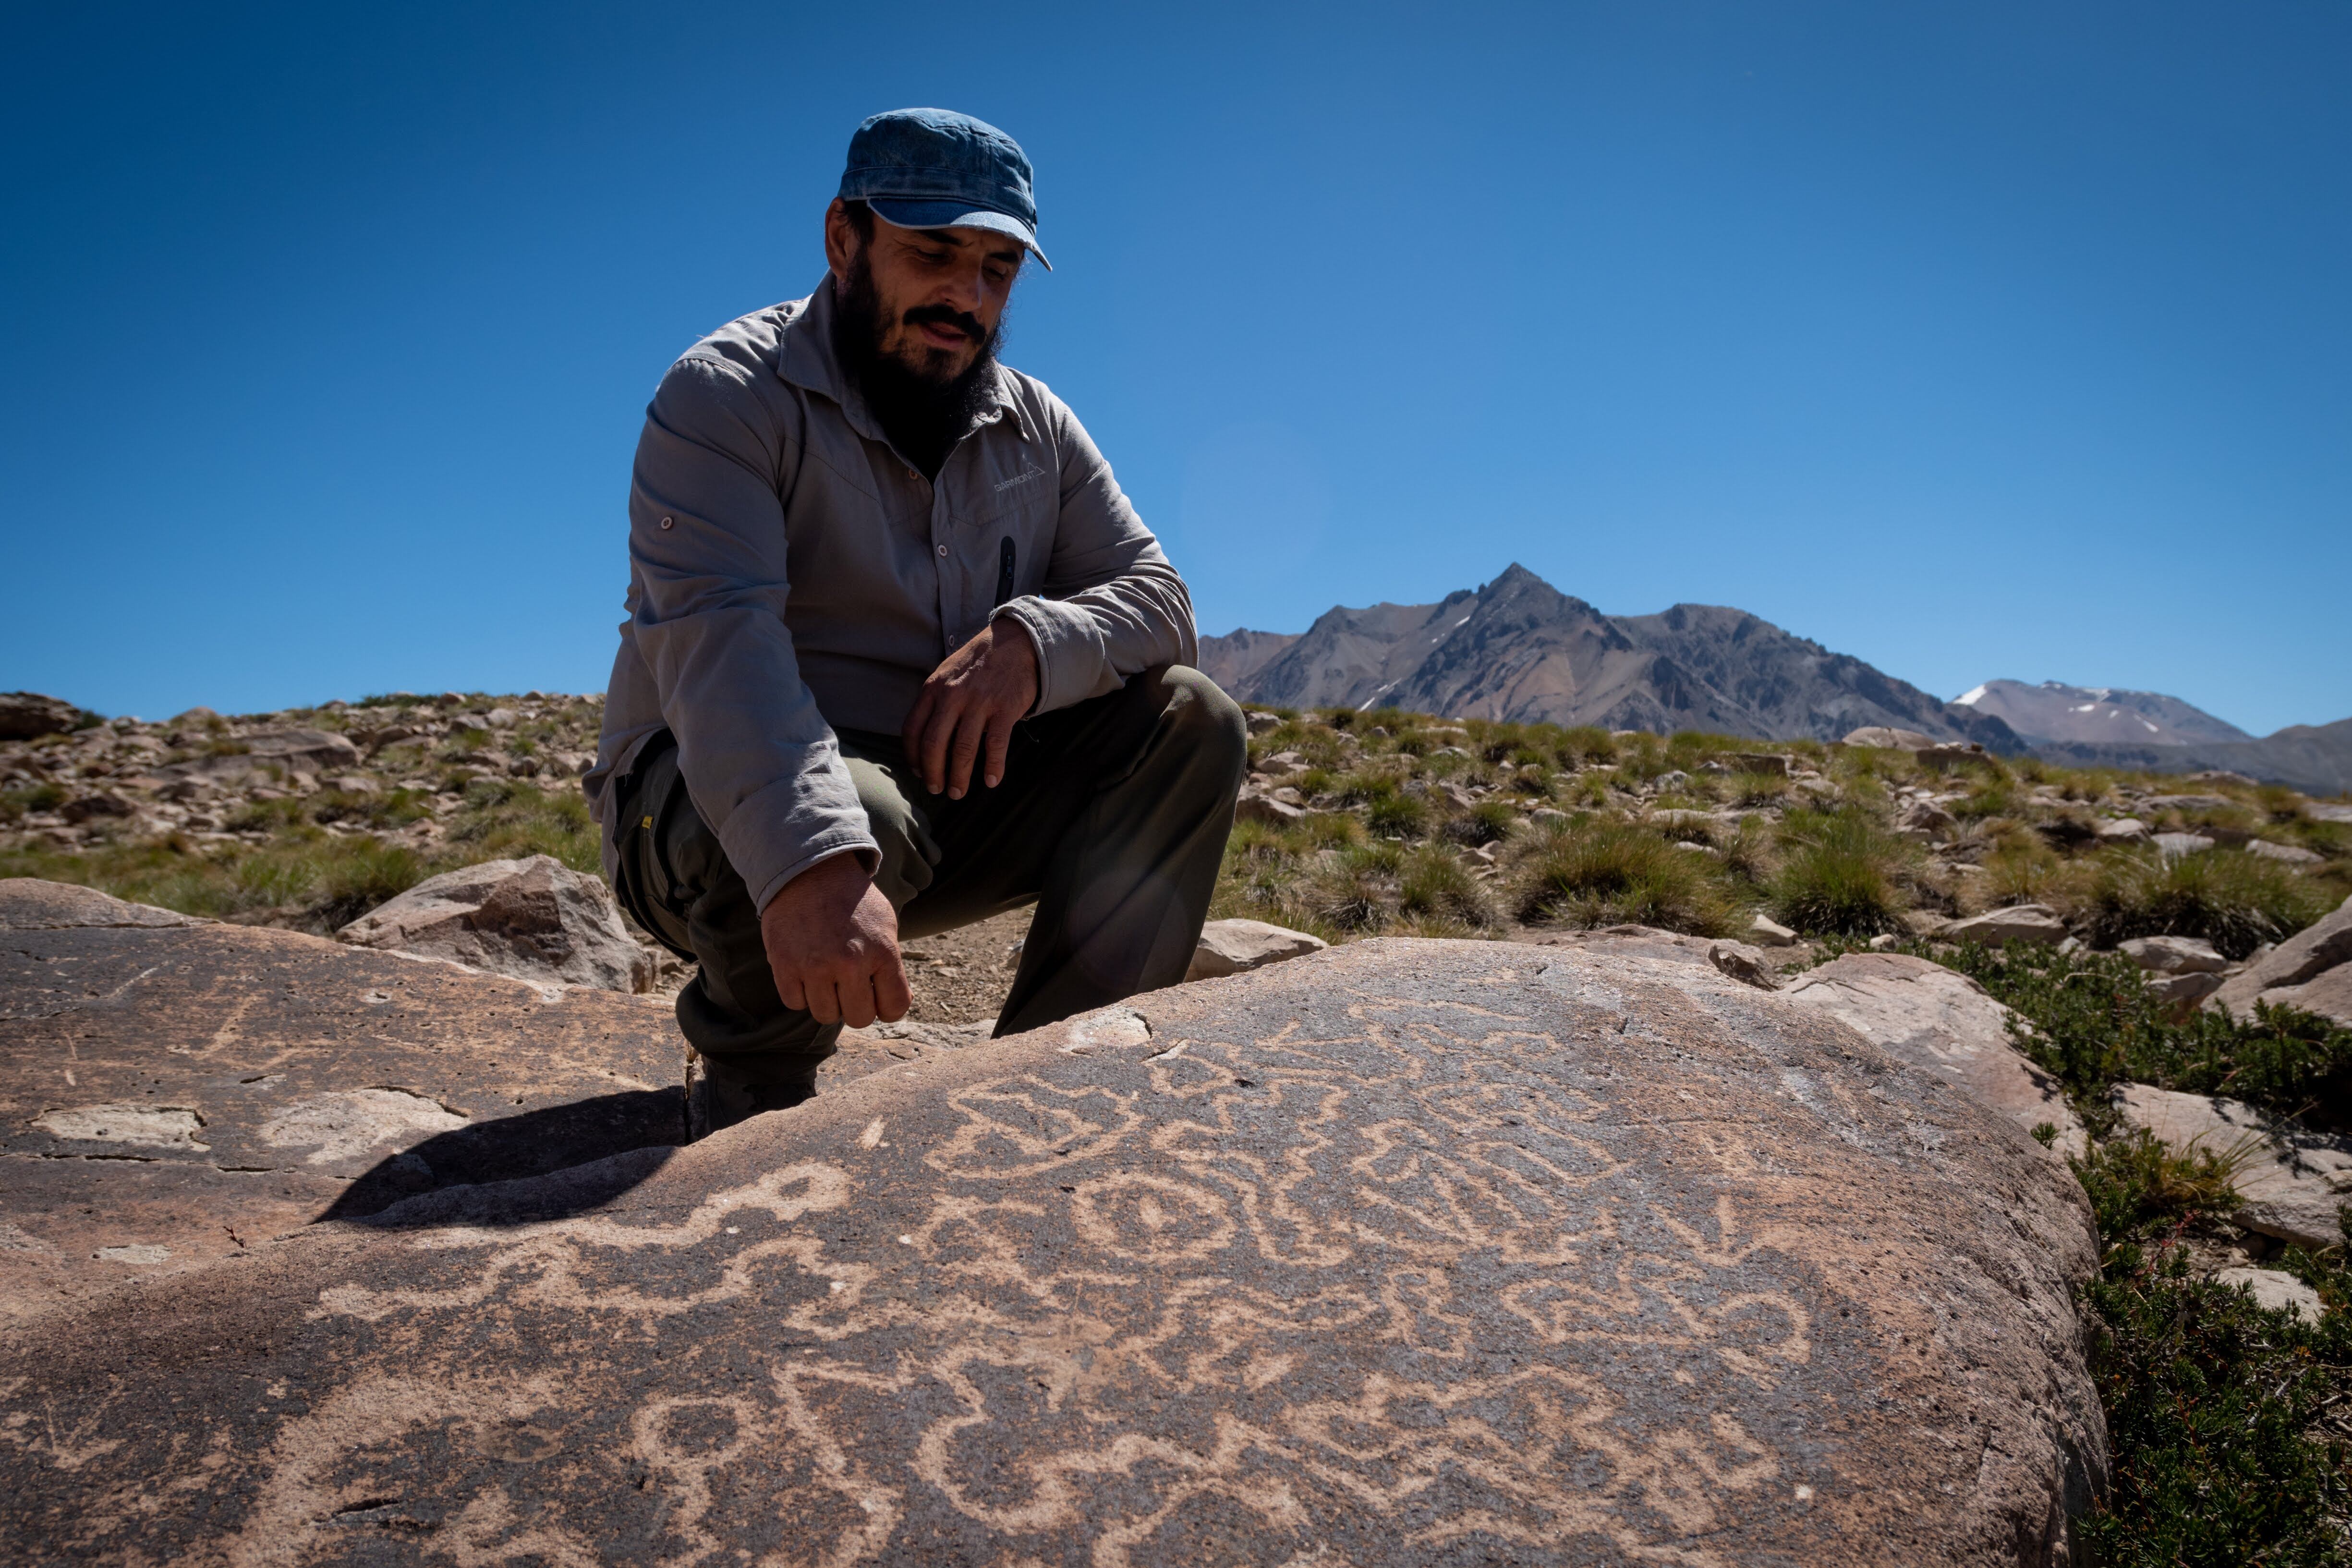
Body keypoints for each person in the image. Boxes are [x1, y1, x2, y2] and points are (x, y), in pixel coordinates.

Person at [586, 108, 1246, 1136]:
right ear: (844, 240)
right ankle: (755, 1096)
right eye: (932, 252)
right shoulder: (725, 395)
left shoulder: (1036, 424)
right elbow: (720, 649)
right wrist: (812, 856)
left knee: (1190, 719)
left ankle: (1050, 1095)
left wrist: (1036, 645)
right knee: (853, 812)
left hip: (936, 799)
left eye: (996, 269)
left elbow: (1160, 600)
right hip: (701, 810)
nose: (966, 298)